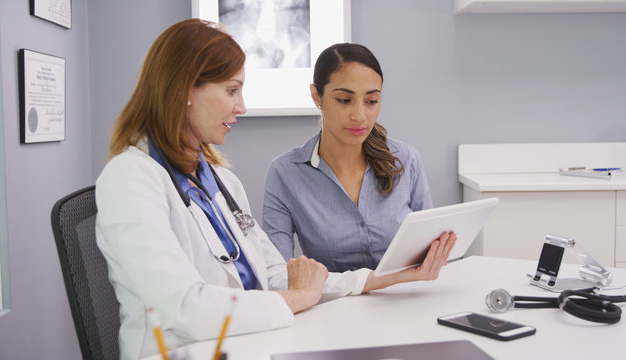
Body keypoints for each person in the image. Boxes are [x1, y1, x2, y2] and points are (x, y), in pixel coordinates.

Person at [95, 19, 457, 360]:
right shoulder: (130, 179)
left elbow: (274, 274)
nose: (242, 107)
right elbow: (184, 310)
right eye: (231, 90)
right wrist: (296, 298)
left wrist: (380, 279)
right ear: (184, 89)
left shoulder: (221, 180)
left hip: (250, 341)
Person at [263, 43, 436, 272]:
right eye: (344, 100)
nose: (360, 116)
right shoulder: (285, 173)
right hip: (331, 304)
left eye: (371, 101)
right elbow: (276, 274)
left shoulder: (406, 160)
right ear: (317, 96)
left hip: (405, 300)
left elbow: (431, 247)